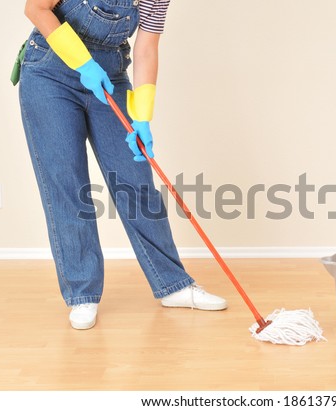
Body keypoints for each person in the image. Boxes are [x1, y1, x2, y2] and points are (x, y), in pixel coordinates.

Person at [19, 0, 227, 330]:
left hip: (111, 76)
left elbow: (146, 48)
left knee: (136, 180)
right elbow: (35, 8)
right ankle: (82, 294)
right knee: (68, 185)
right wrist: (82, 62)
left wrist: (143, 117)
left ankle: (173, 284)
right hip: (50, 73)